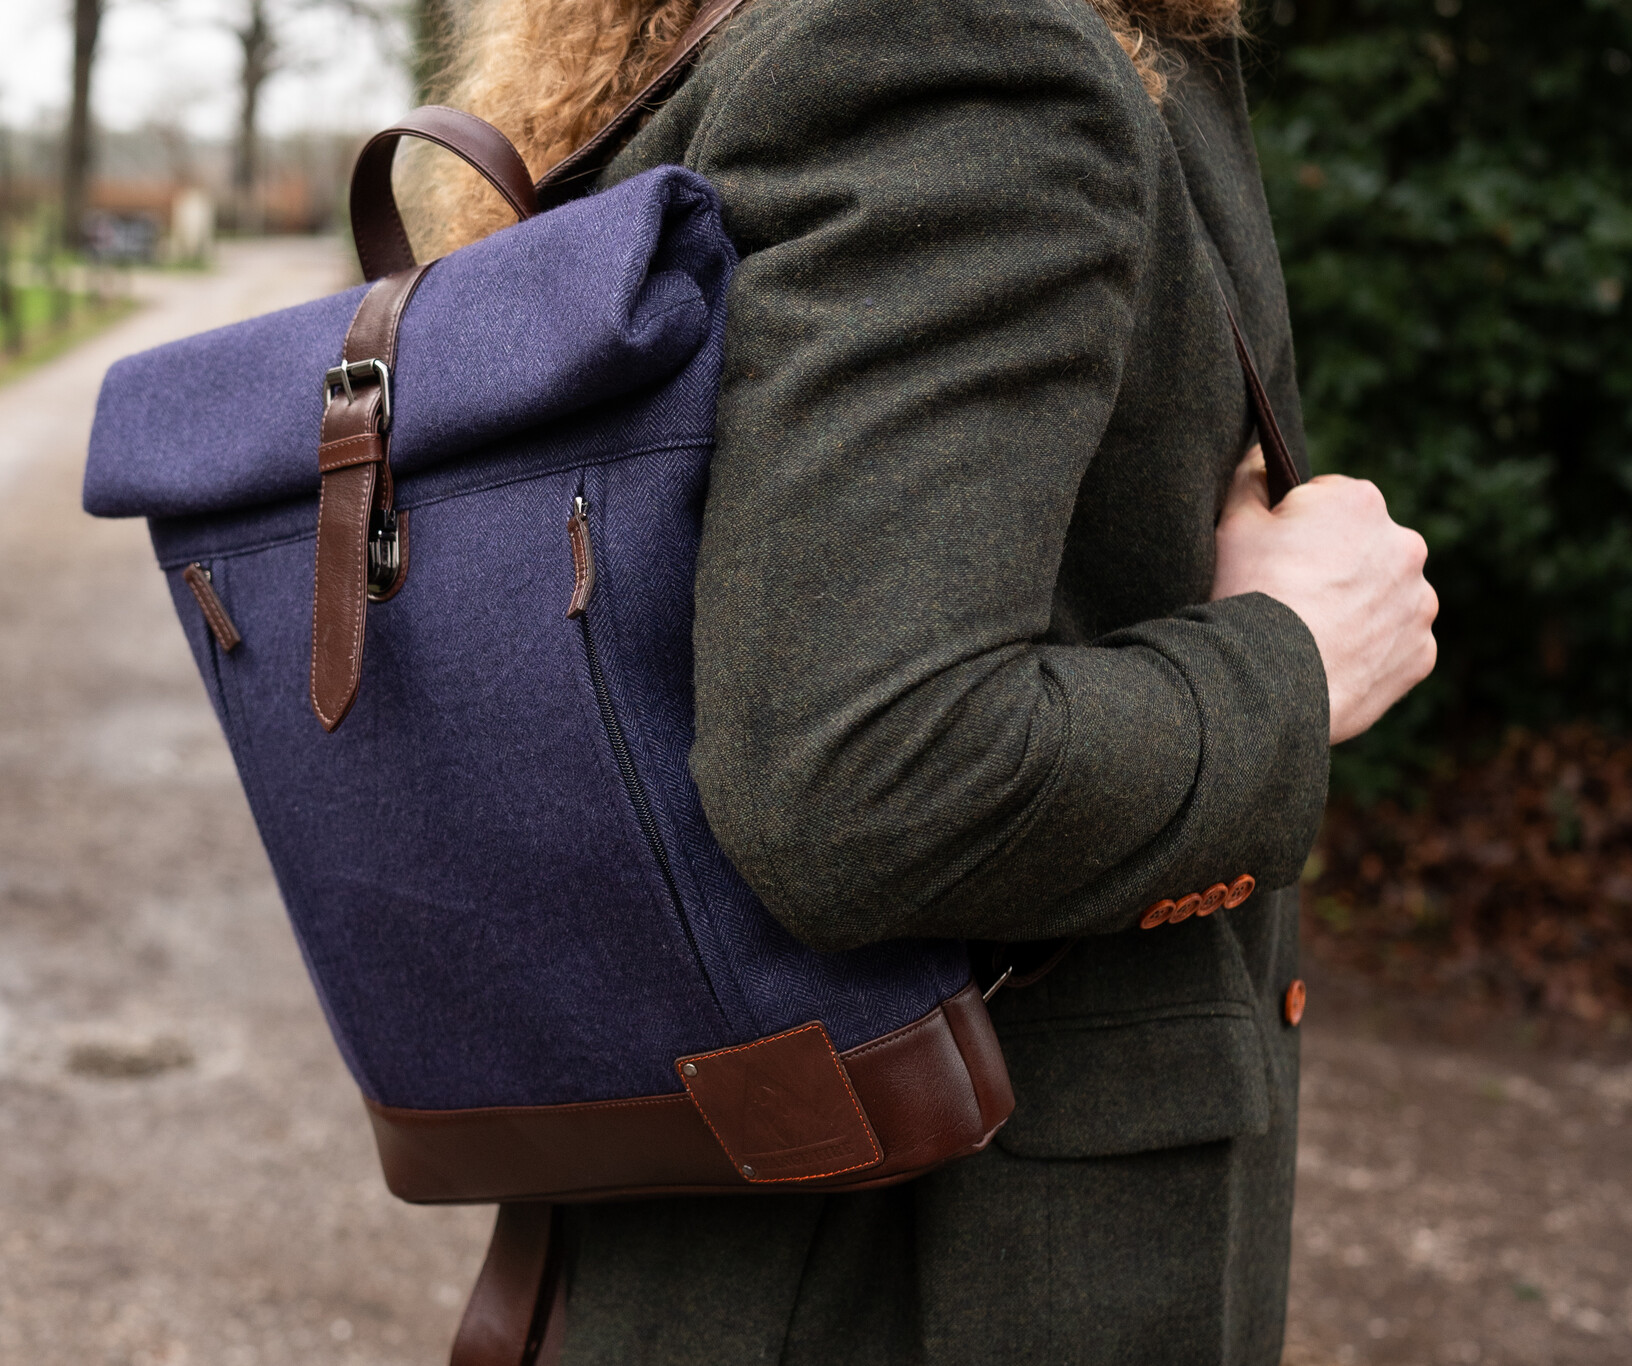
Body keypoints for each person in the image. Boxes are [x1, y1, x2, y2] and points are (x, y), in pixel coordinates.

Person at [416, 0, 1439, 1361]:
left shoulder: (681, 58)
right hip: (940, 1269)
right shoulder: (951, 47)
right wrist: (1294, 658)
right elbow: (868, 782)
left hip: (707, 1216)